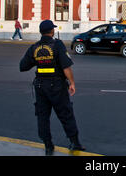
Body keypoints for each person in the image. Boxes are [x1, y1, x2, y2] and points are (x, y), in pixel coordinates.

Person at [19, 20, 84, 156]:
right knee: (66, 114)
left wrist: (40, 60)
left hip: (40, 87)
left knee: (42, 117)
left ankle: (48, 146)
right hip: (57, 86)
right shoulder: (57, 45)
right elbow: (66, 67)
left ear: (41, 32)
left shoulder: (35, 47)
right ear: (52, 31)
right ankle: (74, 142)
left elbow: (23, 66)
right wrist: (72, 83)